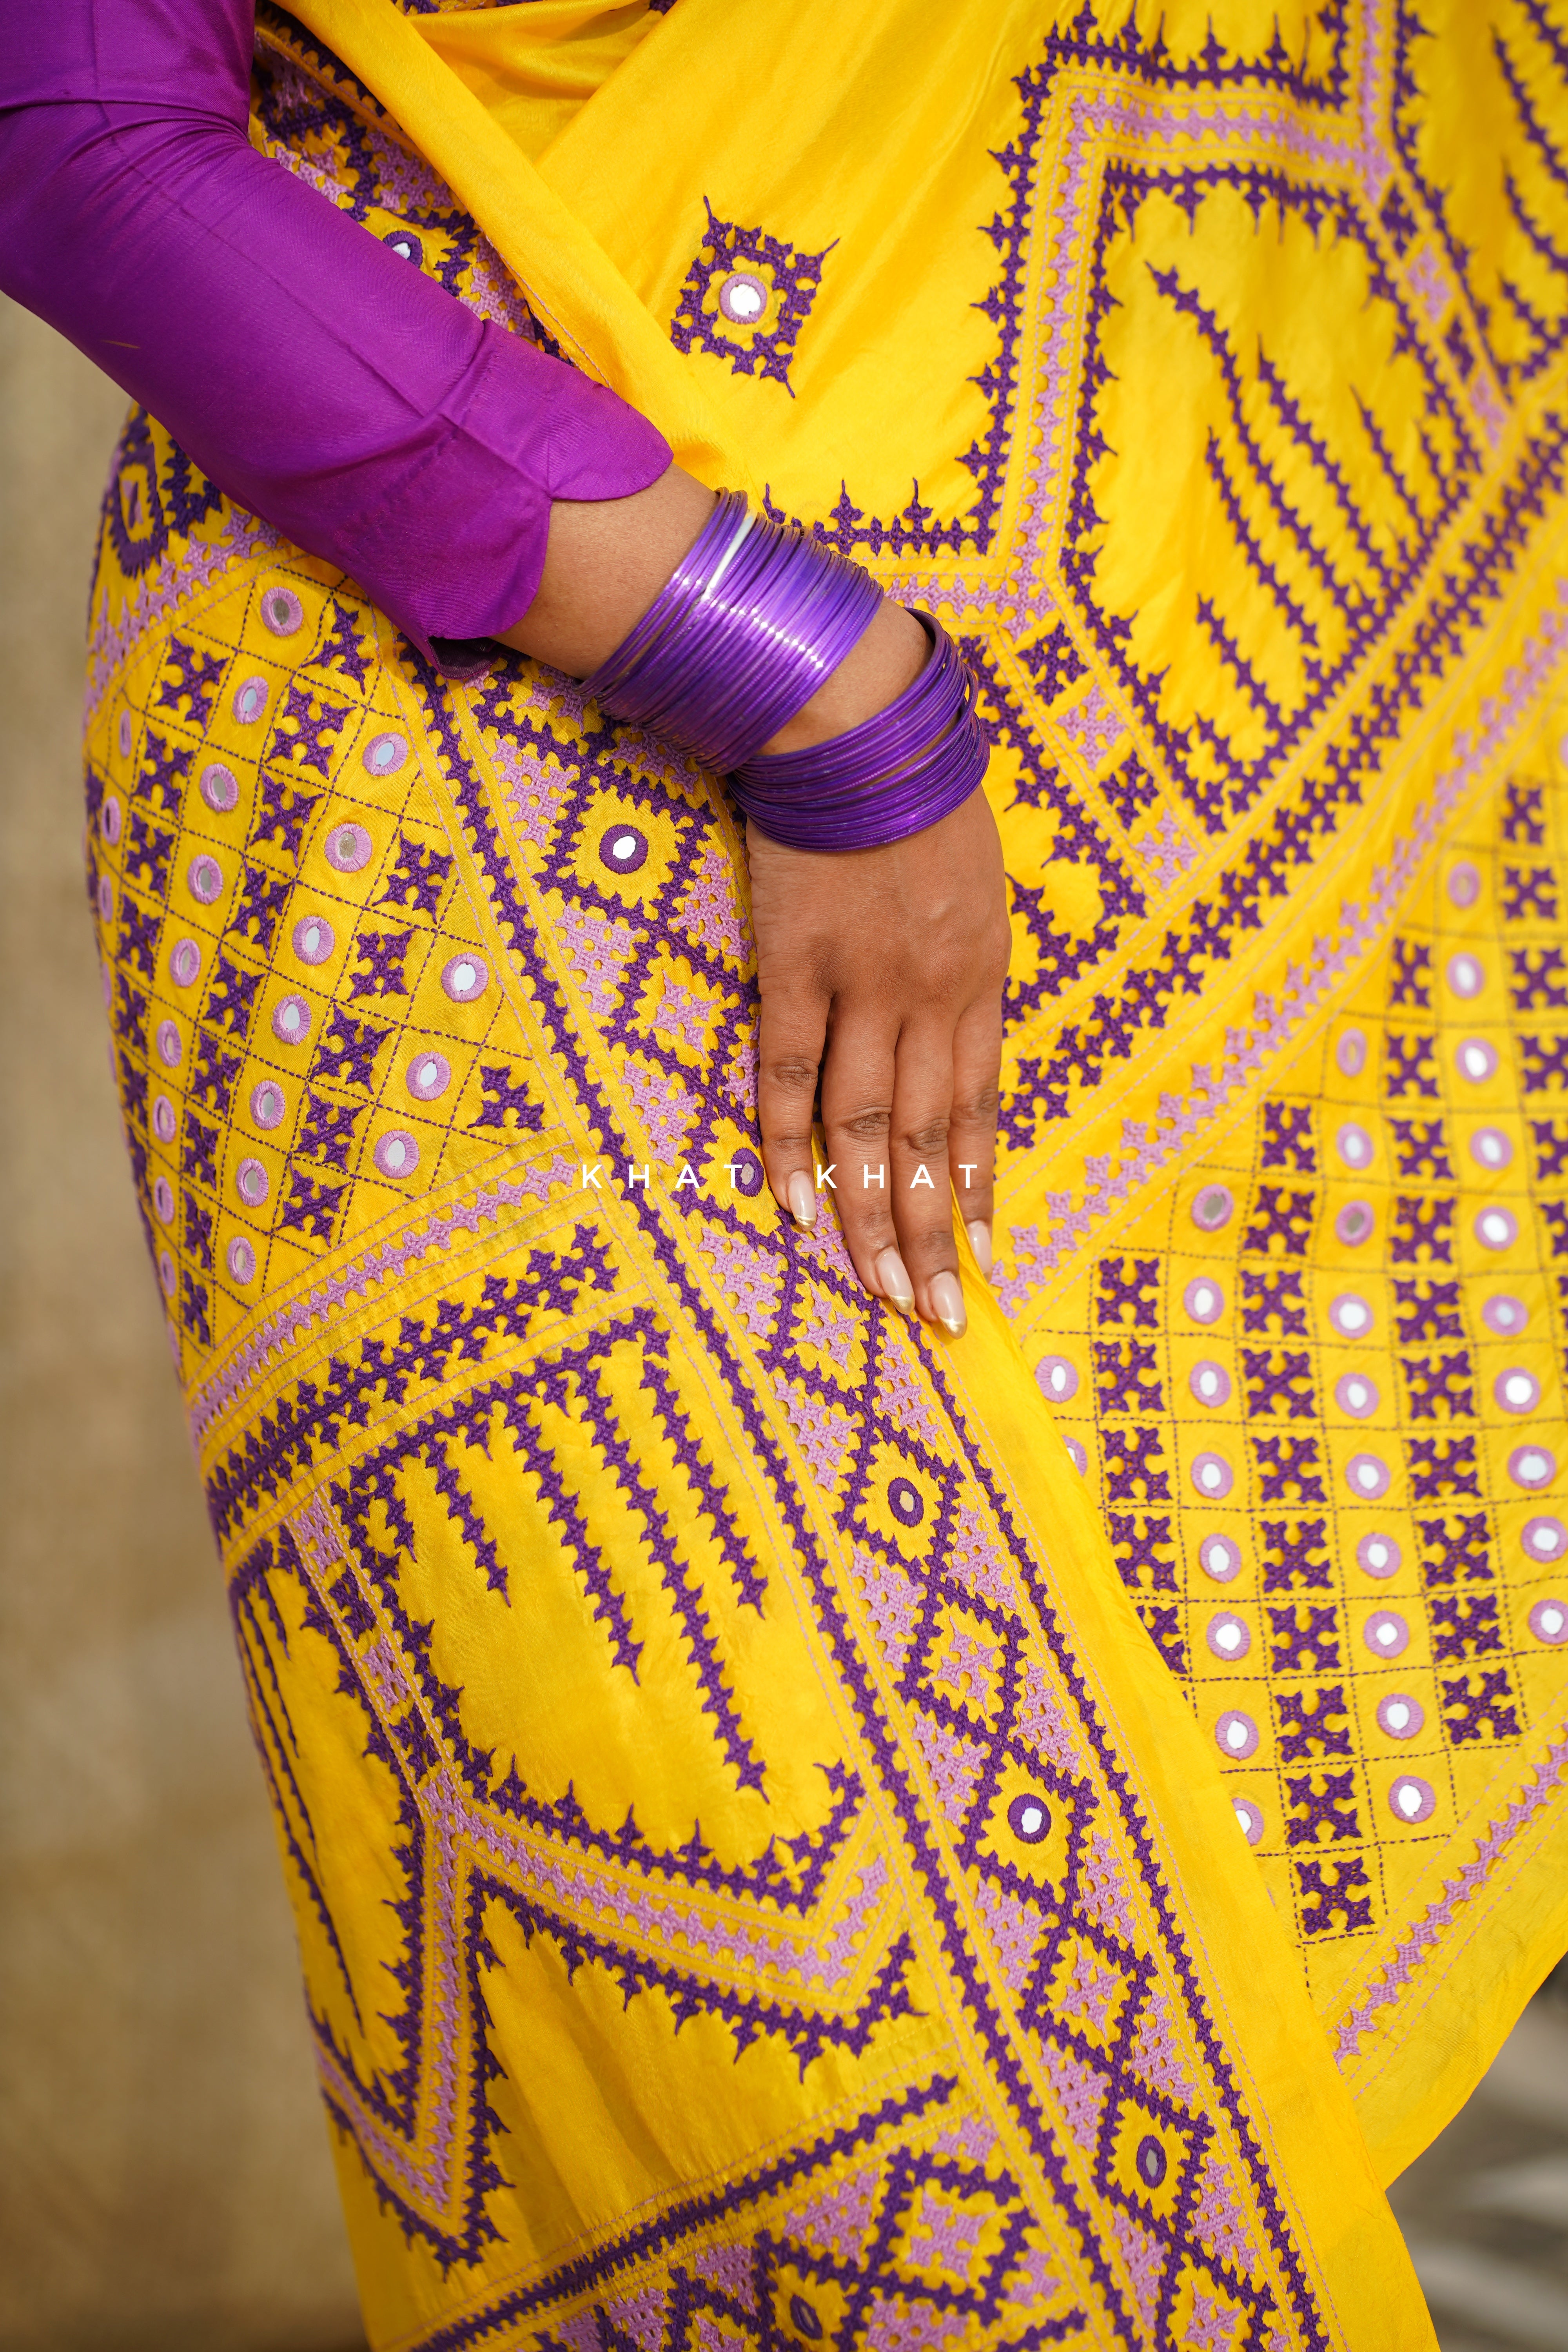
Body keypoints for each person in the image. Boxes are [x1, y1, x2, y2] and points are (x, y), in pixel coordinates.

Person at [3, 4, 1563, 2346]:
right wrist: (802, 676)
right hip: (475, 742)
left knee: (1190, 1937)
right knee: (835, 2059)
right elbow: (77, 129)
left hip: (1144, 606)